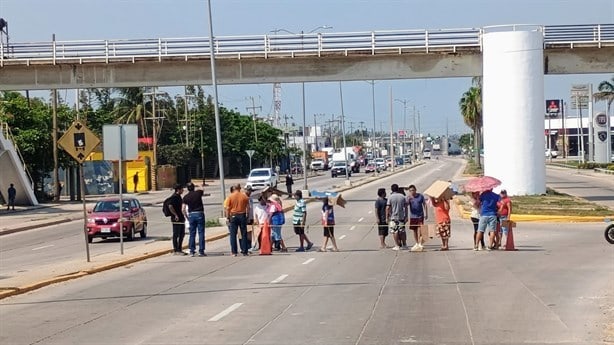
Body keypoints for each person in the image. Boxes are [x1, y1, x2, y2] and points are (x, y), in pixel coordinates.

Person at [182, 182, 207, 257]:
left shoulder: (185, 197)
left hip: (191, 215)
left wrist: (187, 217)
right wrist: (199, 184)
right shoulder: (198, 193)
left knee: (192, 234)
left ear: (187, 189)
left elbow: (183, 209)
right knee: (201, 232)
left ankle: (192, 250)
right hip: (199, 213)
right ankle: (201, 251)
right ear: (193, 187)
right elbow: (202, 189)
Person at [226, 183, 251, 256]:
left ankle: (234, 252)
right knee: (243, 234)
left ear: (234, 189)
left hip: (233, 216)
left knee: (233, 234)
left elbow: (227, 208)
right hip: (242, 215)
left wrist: (228, 217)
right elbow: (248, 208)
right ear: (240, 188)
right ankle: (244, 251)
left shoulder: (230, 197)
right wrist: (247, 216)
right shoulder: (244, 196)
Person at [386, 184, 407, 251]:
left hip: (393, 217)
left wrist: (387, 217)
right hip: (401, 217)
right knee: (402, 231)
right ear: (397, 189)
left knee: (395, 231)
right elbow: (406, 207)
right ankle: (404, 244)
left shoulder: (390, 197)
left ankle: (397, 245)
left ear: (392, 189)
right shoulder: (402, 196)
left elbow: (388, 207)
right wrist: (406, 216)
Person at [407, 184, 428, 251]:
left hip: (420, 215)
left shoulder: (420, 196)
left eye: (413, 190)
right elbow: (406, 205)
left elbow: (424, 204)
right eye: (410, 191)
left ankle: (420, 242)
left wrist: (426, 213)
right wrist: (408, 200)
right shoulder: (409, 197)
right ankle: (417, 242)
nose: (412, 192)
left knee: (421, 229)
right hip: (413, 216)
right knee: (414, 230)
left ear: (415, 190)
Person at [167, 184, 187, 255]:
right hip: (176, 219)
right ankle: (176, 250)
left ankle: (180, 248)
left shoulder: (179, 196)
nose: (183, 190)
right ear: (178, 190)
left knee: (182, 234)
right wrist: (175, 215)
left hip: (181, 218)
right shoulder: (174, 197)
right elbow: (170, 206)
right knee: (176, 234)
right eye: (182, 189)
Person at [244, 185, 255, 250]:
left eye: (251, 191)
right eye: (249, 190)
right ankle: (246, 246)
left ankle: (249, 246)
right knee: (245, 232)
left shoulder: (250, 198)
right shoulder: (244, 197)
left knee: (250, 232)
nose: (250, 192)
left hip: (250, 217)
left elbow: (251, 208)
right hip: (246, 217)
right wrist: (247, 217)